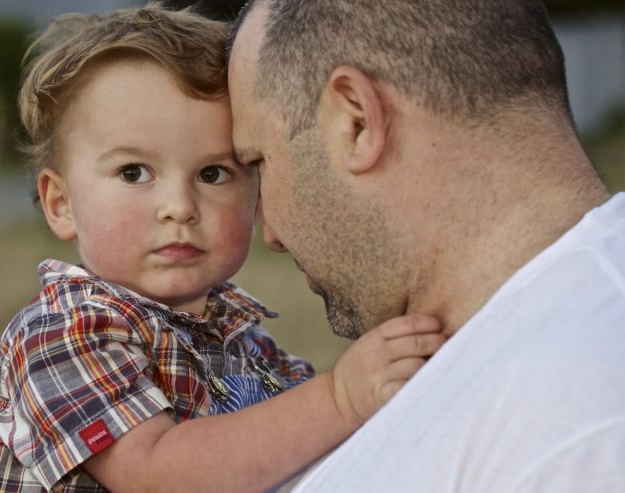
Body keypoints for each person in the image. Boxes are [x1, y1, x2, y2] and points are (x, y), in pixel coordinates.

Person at [0, 4, 446, 492]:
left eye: (213, 174)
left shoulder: (246, 344)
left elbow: (302, 447)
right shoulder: (64, 332)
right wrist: (341, 399)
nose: (179, 207)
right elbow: (156, 474)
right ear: (61, 204)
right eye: (134, 172)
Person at [227, 0, 625, 491]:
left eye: (260, 163)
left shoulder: (577, 422)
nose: (270, 233)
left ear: (356, 121)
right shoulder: (544, 379)